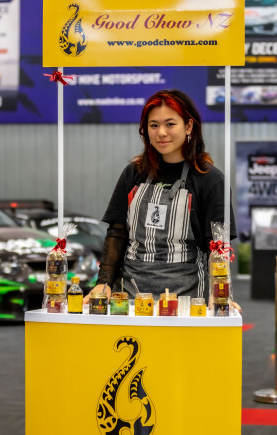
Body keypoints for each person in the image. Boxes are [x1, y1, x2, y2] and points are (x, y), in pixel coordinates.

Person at [84, 89, 239, 308]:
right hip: (130, 296)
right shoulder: (134, 173)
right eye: (154, 125)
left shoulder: (210, 179)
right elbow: (117, 233)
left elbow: (218, 246)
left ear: (189, 126)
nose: (161, 133)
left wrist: (219, 291)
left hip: (187, 299)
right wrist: (104, 283)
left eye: (170, 124)